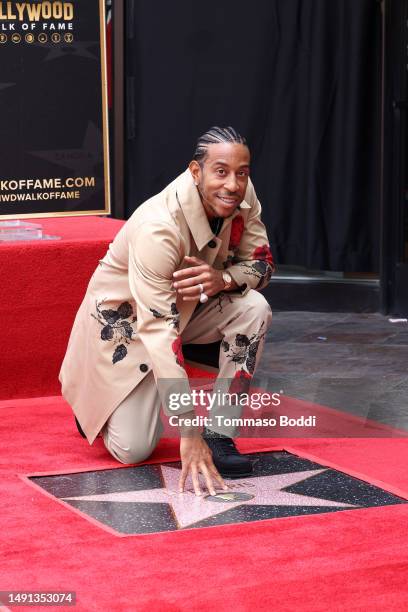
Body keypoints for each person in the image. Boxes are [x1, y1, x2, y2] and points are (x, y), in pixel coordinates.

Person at [59, 126, 274, 497]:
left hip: (186, 312)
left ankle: (220, 433)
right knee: (134, 449)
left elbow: (263, 267)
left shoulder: (243, 195)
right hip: (128, 327)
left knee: (253, 309)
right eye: (220, 171)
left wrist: (222, 279)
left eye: (242, 172)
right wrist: (186, 430)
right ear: (196, 172)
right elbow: (158, 329)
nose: (233, 184)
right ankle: (93, 407)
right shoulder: (158, 228)